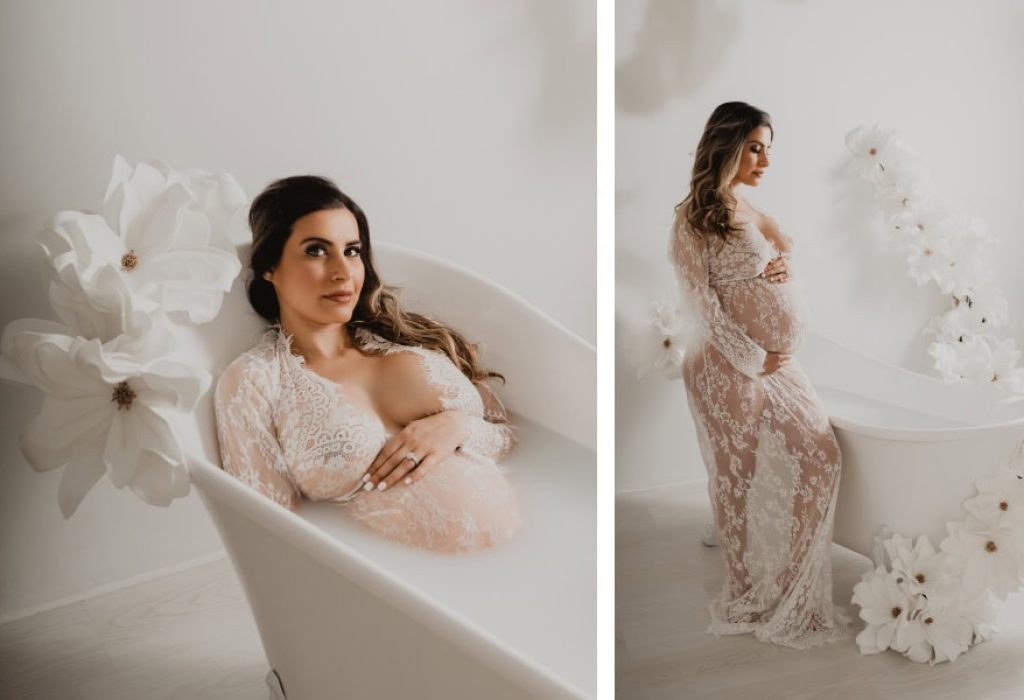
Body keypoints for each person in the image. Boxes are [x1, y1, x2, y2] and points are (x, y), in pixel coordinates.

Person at [214, 175, 520, 554]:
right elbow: (271, 530)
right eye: (316, 251)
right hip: (401, 582)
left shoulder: (410, 340)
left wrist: (457, 426)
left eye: (353, 250)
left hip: (521, 556)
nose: (343, 271)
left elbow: (506, 434)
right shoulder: (253, 381)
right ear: (269, 267)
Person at [669, 101, 848, 647]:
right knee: (737, 477)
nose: (765, 158)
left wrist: (784, 268)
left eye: (769, 148)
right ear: (726, 144)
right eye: (754, 146)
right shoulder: (693, 217)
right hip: (724, 365)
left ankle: (790, 582)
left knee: (820, 455)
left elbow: (781, 261)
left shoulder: (750, 209)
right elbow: (699, 305)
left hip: (777, 365)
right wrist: (750, 356)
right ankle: (748, 588)